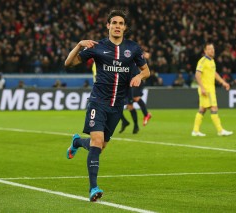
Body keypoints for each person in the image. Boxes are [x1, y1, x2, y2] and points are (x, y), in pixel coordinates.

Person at [64, 10, 150, 202]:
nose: (117, 26)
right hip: (98, 101)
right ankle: (93, 188)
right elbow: (68, 63)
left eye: (121, 23)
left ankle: (77, 142)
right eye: (114, 23)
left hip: (117, 105)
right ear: (108, 26)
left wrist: (138, 76)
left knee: (100, 146)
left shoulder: (133, 49)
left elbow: (147, 71)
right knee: (96, 142)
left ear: (125, 27)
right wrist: (78, 45)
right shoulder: (98, 47)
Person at [192, 42, 233, 137]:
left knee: (202, 110)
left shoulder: (212, 61)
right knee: (214, 108)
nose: (212, 50)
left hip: (210, 89)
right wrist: (202, 87)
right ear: (205, 51)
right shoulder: (202, 61)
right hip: (206, 89)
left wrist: (223, 82)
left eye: (213, 48)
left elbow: (214, 74)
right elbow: (197, 74)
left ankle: (195, 130)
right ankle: (220, 130)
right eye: (209, 49)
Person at [119, 52, 152, 134]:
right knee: (129, 105)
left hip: (136, 79)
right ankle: (135, 125)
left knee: (135, 98)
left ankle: (146, 114)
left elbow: (143, 61)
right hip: (128, 82)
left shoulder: (131, 54)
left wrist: (145, 56)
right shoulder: (121, 58)